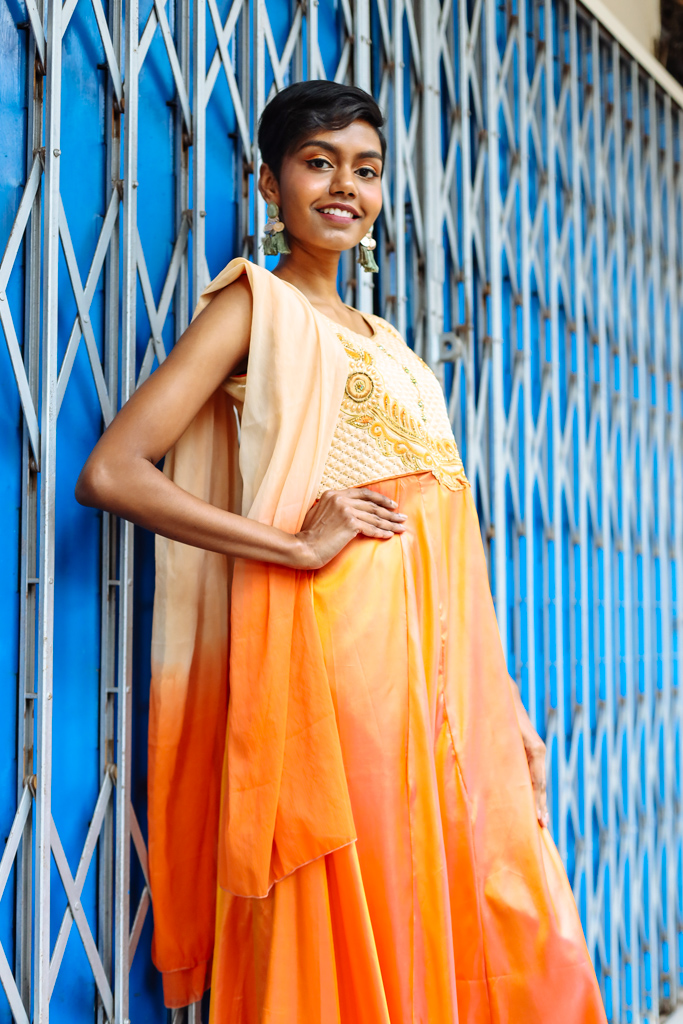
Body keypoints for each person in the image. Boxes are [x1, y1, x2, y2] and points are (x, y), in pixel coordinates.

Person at [76, 80, 606, 1023]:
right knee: (351, 914)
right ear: (270, 183)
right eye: (317, 163)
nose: (343, 188)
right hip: (333, 674)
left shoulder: (397, 349)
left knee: (476, 902)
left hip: (441, 691)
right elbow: (115, 472)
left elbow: (454, 556)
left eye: (364, 169)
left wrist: (507, 710)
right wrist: (289, 544)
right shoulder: (256, 309)